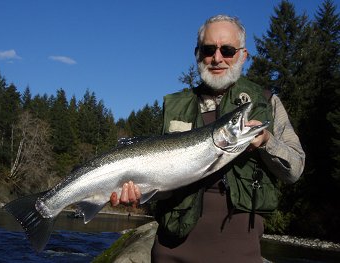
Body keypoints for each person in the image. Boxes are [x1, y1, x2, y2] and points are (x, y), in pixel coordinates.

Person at [111, 14, 305, 262]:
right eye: (208, 49)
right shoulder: (175, 106)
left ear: (243, 55)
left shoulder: (267, 103)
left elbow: (295, 169)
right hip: (171, 250)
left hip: (239, 254)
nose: (217, 58)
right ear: (197, 54)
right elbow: (164, 184)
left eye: (228, 50)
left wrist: (267, 141)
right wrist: (137, 192)